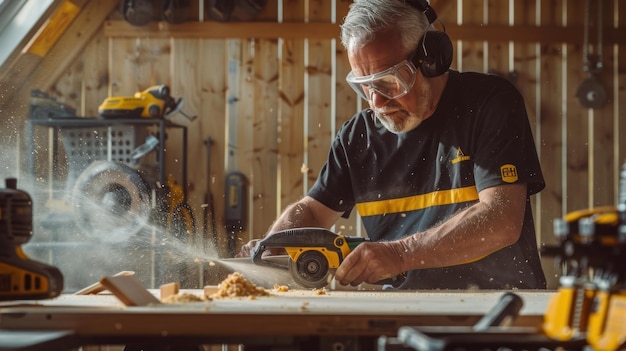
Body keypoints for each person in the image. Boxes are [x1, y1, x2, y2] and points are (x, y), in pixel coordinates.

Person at [237, 0, 547, 290]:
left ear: (430, 59)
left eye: (389, 81)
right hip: (403, 313)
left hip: (498, 309)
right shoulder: (357, 138)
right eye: (365, 86)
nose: (377, 101)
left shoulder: (489, 104)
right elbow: (313, 214)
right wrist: (274, 244)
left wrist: (400, 254)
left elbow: (501, 219)